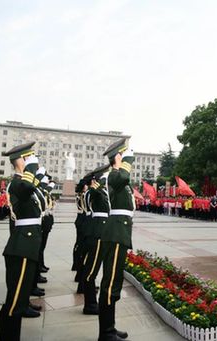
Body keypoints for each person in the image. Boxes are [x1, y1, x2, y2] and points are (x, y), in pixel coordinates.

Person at [0, 142, 42, 340]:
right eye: (30, 158)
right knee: (14, 303)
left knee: (20, 298)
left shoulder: (22, 183)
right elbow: (26, 187)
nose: (34, 162)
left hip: (27, 245)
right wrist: (31, 168)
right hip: (21, 248)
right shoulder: (17, 183)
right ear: (21, 161)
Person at [98, 138, 134, 341]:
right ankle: (105, 333)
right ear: (117, 157)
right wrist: (124, 163)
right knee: (110, 283)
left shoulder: (117, 177)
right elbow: (123, 178)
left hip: (120, 231)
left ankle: (109, 328)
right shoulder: (112, 176)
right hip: (116, 233)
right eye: (124, 154)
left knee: (114, 281)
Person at [81, 164, 110, 315]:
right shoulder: (95, 192)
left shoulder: (101, 192)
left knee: (91, 269)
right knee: (91, 270)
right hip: (98, 232)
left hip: (100, 230)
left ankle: (91, 302)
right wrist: (96, 186)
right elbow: (94, 195)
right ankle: (90, 304)